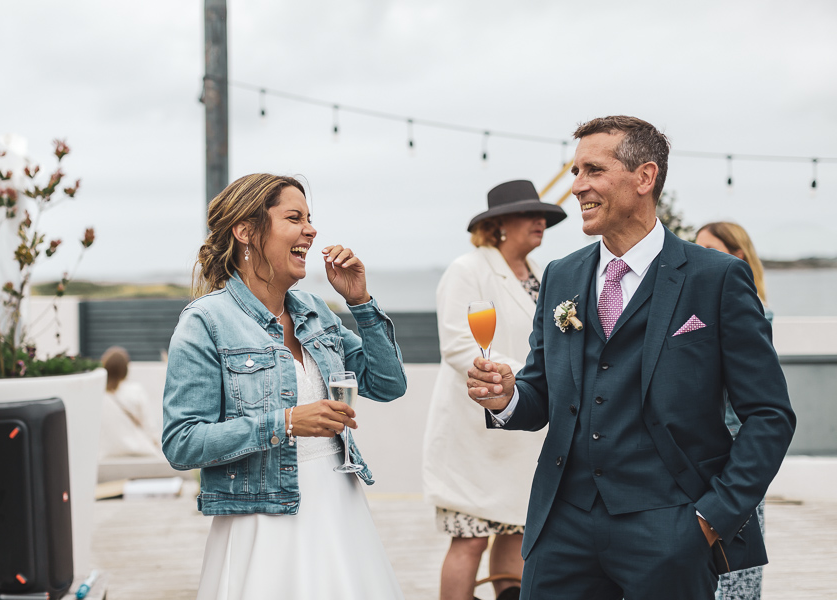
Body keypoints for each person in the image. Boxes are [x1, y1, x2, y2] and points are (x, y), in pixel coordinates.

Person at [466, 116, 795, 599]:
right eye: (576, 171)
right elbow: (539, 393)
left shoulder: (716, 278)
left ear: (645, 178)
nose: (576, 187)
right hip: (563, 528)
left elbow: (769, 415)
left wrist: (711, 519)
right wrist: (506, 396)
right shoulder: (561, 276)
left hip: (671, 528)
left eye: (592, 170)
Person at [161, 173, 408, 599]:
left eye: (310, 218)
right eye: (294, 218)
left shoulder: (316, 311)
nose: (311, 230)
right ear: (246, 231)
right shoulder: (205, 322)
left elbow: (388, 384)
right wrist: (287, 422)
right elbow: (182, 443)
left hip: (340, 509)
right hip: (264, 521)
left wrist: (360, 302)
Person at [423, 180, 567, 600]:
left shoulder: (545, 274)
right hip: (473, 432)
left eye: (543, 214)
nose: (540, 220)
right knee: (470, 539)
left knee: (518, 533)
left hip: (523, 434)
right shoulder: (468, 270)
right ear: (499, 224)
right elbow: (458, 345)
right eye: (529, 213)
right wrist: (534, 376)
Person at [696, 221, 772, 600]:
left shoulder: (745, 307)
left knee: (737, 571)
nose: (700, 257)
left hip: (733, 455)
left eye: (709, 249)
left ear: (737, 255)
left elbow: (764, 404)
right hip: (703, 457)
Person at [99, 346, 160, 460]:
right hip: (140, 454)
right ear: (125, 369)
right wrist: (156, 442)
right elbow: (149, 424)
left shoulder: (98, 394)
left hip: (107, 455)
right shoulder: (135, 391)